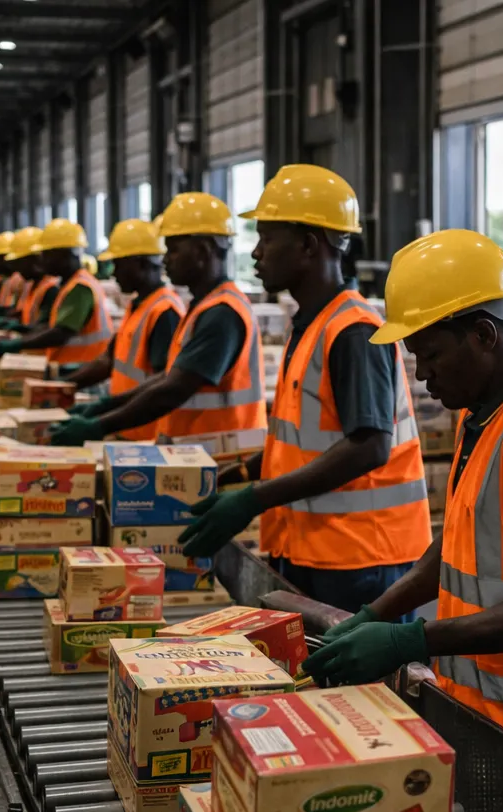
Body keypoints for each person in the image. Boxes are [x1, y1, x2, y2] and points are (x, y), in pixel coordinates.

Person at [300, 230, 503, 797]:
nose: (422, 377)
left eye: (430, 355)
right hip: (500, 726)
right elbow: (457, 545)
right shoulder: (485, 414)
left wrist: (411, 642)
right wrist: (377, 612)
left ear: (483, 335)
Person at [176, 165, 431, 613]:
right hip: (314, 549)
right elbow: (303, 445)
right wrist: (237, 479)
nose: (255, 253)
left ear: (309, 245)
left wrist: (252, 500)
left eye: (267, 238)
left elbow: (369, 447)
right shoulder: (313, 325)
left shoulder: (353, 331)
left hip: (361, 560)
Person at [51, 217, 186, 441]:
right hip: (124, 428)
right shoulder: (138, 305)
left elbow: (164, 382)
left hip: (145, 434)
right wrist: (65, 385)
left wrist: (102, 417)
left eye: (119, 264)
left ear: (142, 264)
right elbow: (109, 360)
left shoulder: (165, 312)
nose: (114, 272)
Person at [0, 219, 112, 368]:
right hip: (71, 368)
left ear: (64, 254)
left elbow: (62, 332)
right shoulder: (70, 284)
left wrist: (19, 343)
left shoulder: (80, 287)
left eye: (47, 255)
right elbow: (52, 325)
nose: (43, 261)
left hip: (81, 370)